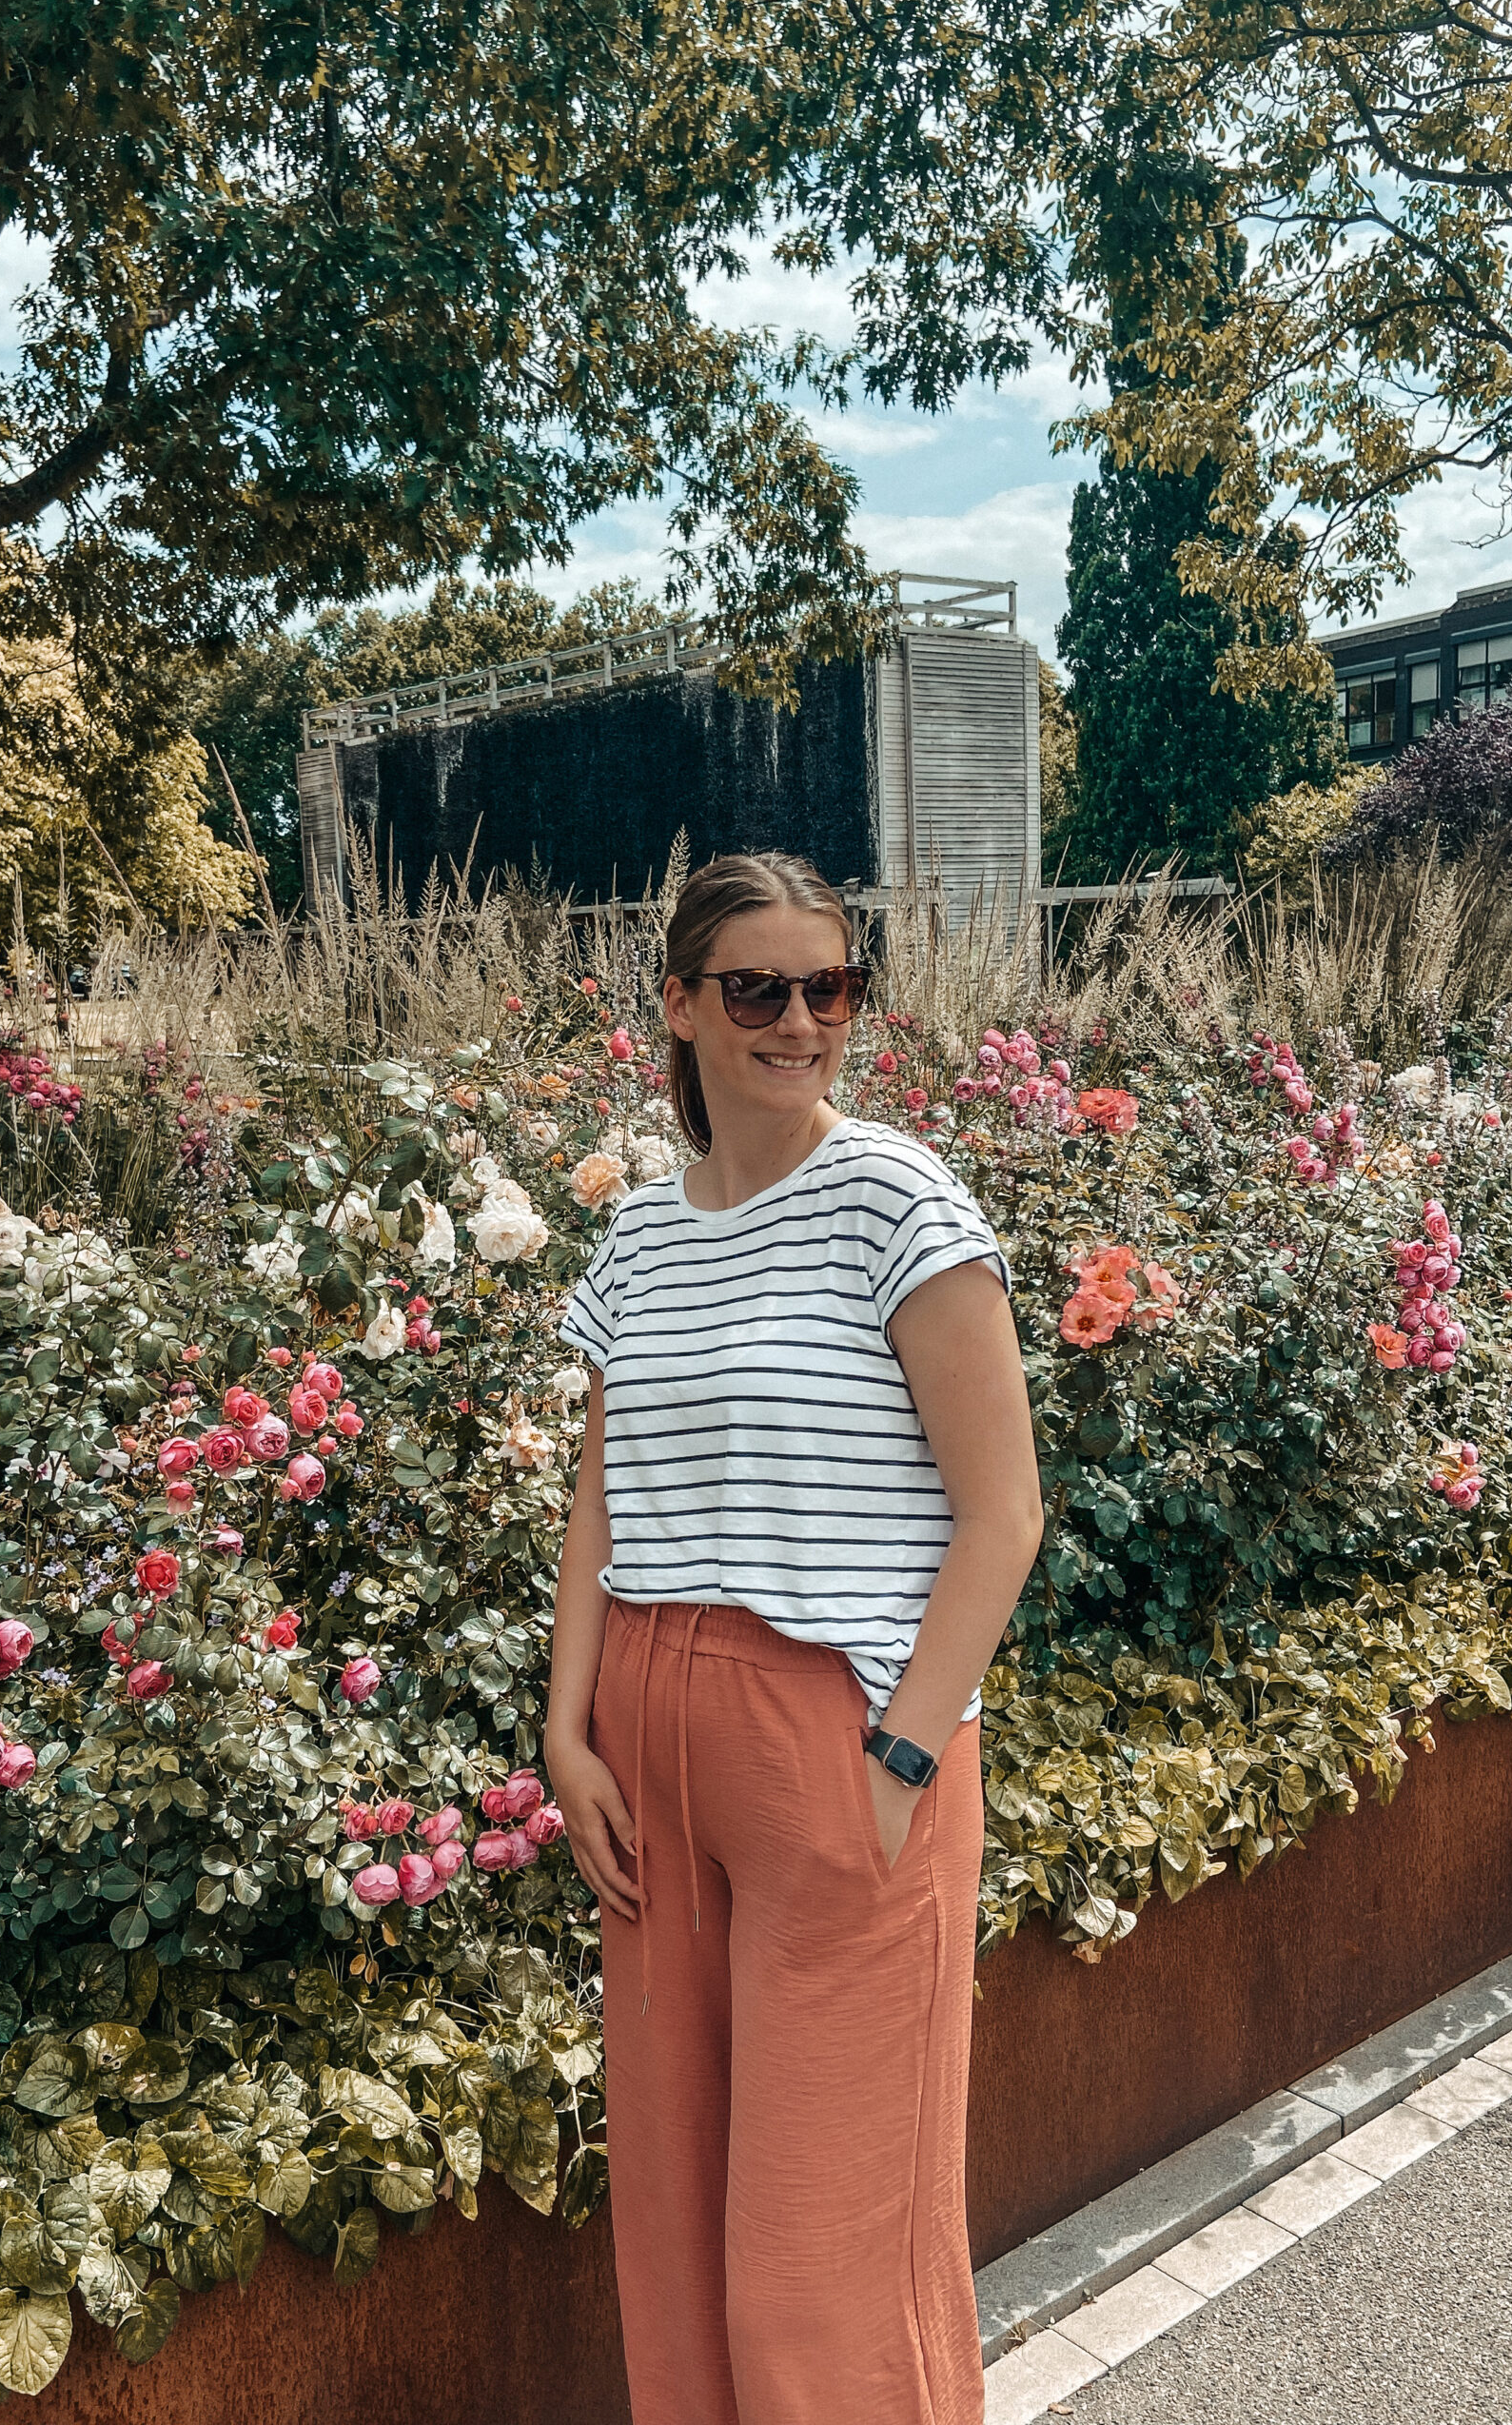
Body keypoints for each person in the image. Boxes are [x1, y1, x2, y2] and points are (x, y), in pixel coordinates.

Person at [546, 850, 1044, 2425]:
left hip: (835, 1737)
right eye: (755, 988)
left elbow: (1005, 1514)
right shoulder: (640, 1234)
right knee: (680, 2242)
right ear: (680, 1009)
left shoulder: (899, 1202)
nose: (797, 1021)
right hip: (649, 1737)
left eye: (826, 988)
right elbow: (601, 1499)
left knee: (820, 2268)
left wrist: (900, 1750)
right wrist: (567, 1732)